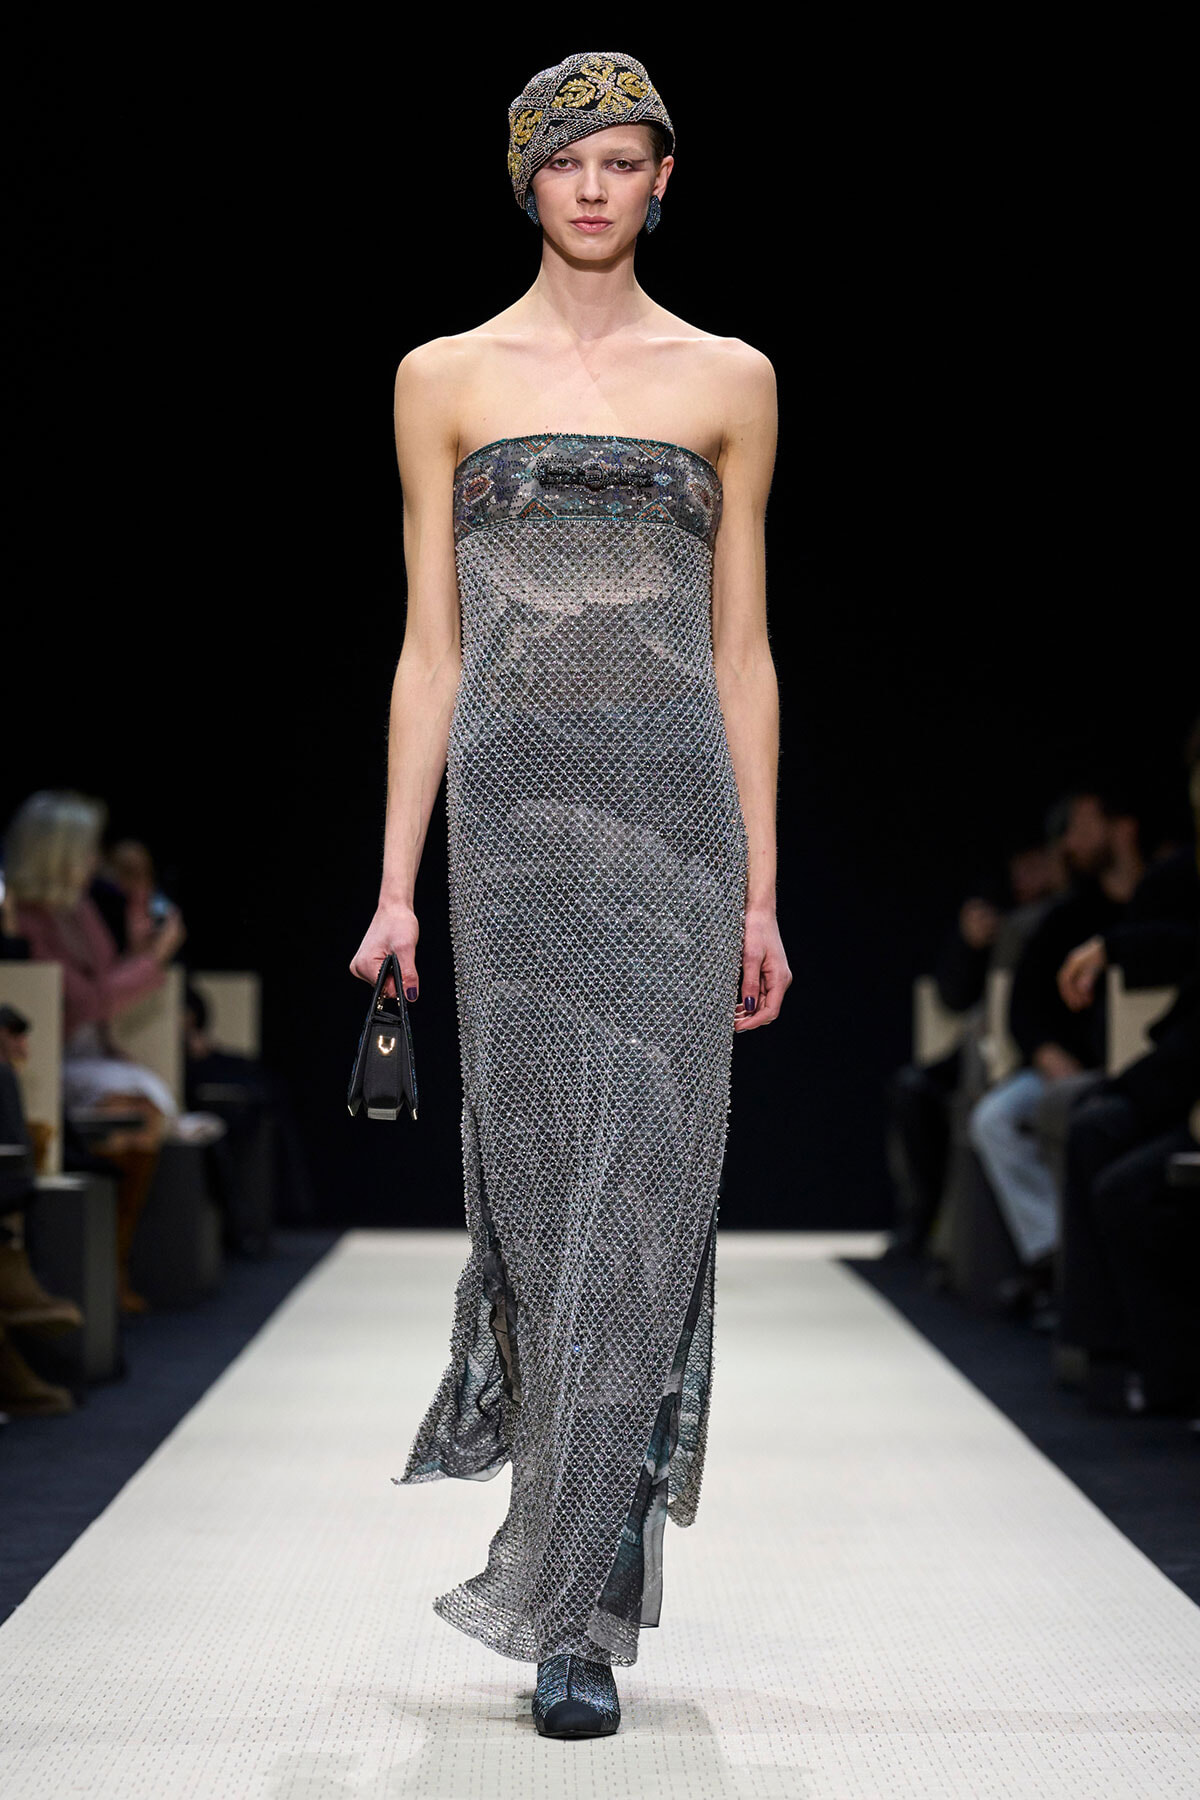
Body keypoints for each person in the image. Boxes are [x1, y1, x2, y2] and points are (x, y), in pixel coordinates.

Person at [349, 49, 788, 1740]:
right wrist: (394, 884)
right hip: (517, 836)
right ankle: (556, 1559)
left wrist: (762, 883)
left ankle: (578, 1620)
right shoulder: (442, 376)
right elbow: (428, 651)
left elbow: (743, 653)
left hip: (679, 832)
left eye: (626, 160)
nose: (595, 188)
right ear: (524, 178)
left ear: (665, 178)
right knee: (546, 1223)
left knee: (647, 1220)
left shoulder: (732, 377)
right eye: (567, 161)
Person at [2, 791, 187, 1313]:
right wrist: (156, 958)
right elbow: (87, 999)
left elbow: (103, 983)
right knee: (134, 1115)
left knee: (141, 1117)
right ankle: (106, 1271)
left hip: (93, 1051)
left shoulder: (77, 908)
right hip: (51, 1059)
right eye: (85, 849)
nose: (93, 860)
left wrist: (139, 925)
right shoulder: (25, 917)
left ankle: (114, 1264)